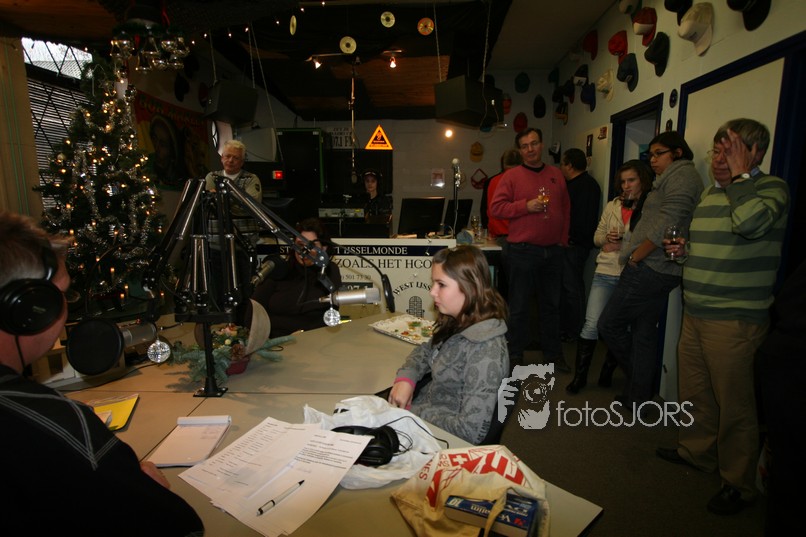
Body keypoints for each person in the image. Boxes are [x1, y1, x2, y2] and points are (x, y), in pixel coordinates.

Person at [0, 211, 203, 536]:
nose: (66, 307)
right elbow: (182, 526)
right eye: (62, 295)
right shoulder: (50, 422)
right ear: (27, 308)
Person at [656, 119, 789, 515]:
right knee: (696, 392)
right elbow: (708, 246)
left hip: (735, 320)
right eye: (715, 150)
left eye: (728, 151)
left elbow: (750, 224)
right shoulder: (710, 195)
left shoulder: (770, 189)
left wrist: (741, 177)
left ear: (755, 153)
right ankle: (697, 452)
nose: (717, 159)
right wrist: (684, 253)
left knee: (735, 406)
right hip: (696, 312)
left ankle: (739, 484)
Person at [597, 131, 704, 408]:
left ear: (677, 153)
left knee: (609, 325)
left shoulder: (683, 176)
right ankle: (639, 396)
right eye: (651, 155)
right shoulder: (668, 178)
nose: (653, 160)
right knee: (643, 333)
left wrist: (636, 256)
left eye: (659, 154)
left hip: (650, 267)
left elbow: (668, 223)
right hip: (657, 268)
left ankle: (642, 380)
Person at [388, 245, 509, 445]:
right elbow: (425, 351)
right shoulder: (458, 320)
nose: (432, 292)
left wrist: (410, 412)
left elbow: (470, 431)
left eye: (441, 285)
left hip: (440, 438)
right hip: (424, 416)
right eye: (433, 283)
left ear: (470, 287)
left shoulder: (486, 351)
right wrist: (406, 378)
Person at [566, 159, 653, 394]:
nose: (626, 186)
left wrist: (622, 246)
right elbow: (596, 237)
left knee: (619, 327)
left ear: (643, 181)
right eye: (623, 181)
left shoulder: (649, 208)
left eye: (631, 180)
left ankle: (607, 371)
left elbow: (649, 242)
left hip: (630, 275)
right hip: (605, 271)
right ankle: (580, 377)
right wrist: (607, 240)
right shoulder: (613, 205)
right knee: (591, 324)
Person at [490, 127, 571, 372]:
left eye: (534, 143)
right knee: (519, 307)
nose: (530, 149)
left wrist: (562, 241)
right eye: (525, 146)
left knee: (551, 307)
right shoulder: (512, 176)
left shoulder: (556, 174)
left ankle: (553, 355)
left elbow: (565, 209)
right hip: (522, 252)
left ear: (541, 144)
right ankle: (515, 355)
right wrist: (525, 206)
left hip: (553, 252)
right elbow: (497, 208)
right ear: (520, 150)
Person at [252, 217, 342, 338]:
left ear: (323, 248)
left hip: (314, 339)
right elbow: (253, 311)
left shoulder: (329, 271)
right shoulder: (279, 269)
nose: (304, 251)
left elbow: (329, 314)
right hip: (274, 341)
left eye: (311, 245)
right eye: (300, 245)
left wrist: (302, 335)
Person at [204, 139, 262, 307]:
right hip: (216, 245)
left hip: (243, 246)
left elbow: (250, 206)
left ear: (242, 162)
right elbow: (209, 203)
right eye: (227, 156)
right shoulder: (211, 177)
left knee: (245, 290)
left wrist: (221, 197)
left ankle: (244, 319)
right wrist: (237, 198)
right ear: (222, 158)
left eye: (235, 158)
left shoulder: (251, 179)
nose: (230, 160)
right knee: (218, 289)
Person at [559, 148, 601, 343]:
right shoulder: (586, 184)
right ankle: (568, 327)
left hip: (574, 245)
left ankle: (573, 330)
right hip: (574, 244)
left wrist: (569, 238)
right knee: (569, 287)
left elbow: (580, 219)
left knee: (572, 288)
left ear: (570, 165)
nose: (561, 168)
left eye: (562, 164)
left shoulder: (583, 186)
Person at [484, 148, 522, 300]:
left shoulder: (494, 181)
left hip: (499, 239)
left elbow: (489, 211)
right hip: (520, 239)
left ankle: (501, 312)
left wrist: (491, 232)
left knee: (500, 285)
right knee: (519, 288)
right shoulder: (522, 180)